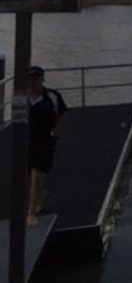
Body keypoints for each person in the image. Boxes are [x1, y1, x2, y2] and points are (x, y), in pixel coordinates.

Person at [27, 65, 67, 226]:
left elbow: (63, 112)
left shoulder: (52, 96)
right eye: (30, 79)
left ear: (42, 79)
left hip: (44, 140)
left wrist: (57, 131)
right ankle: (40, 196)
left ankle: (30, 213)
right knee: (28, 177)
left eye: (35, 79)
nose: (32, 82)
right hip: (26, 140)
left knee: (37, 174)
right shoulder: (21, 96)